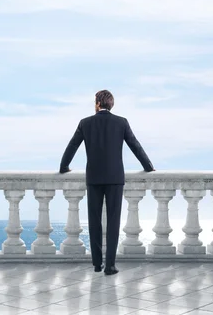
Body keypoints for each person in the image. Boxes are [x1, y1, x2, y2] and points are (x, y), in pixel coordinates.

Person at [59, 90, 155, 275]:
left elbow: (72, 146)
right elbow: (135, 145)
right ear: (112, 104)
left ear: (97, 103)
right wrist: (148, 166)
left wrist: (64, 167)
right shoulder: (121, 122)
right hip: (115, 179)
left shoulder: (85, 123)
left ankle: (97, 264)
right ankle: (110, 265)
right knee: (113, 222)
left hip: (94, 178)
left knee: (94, 221)